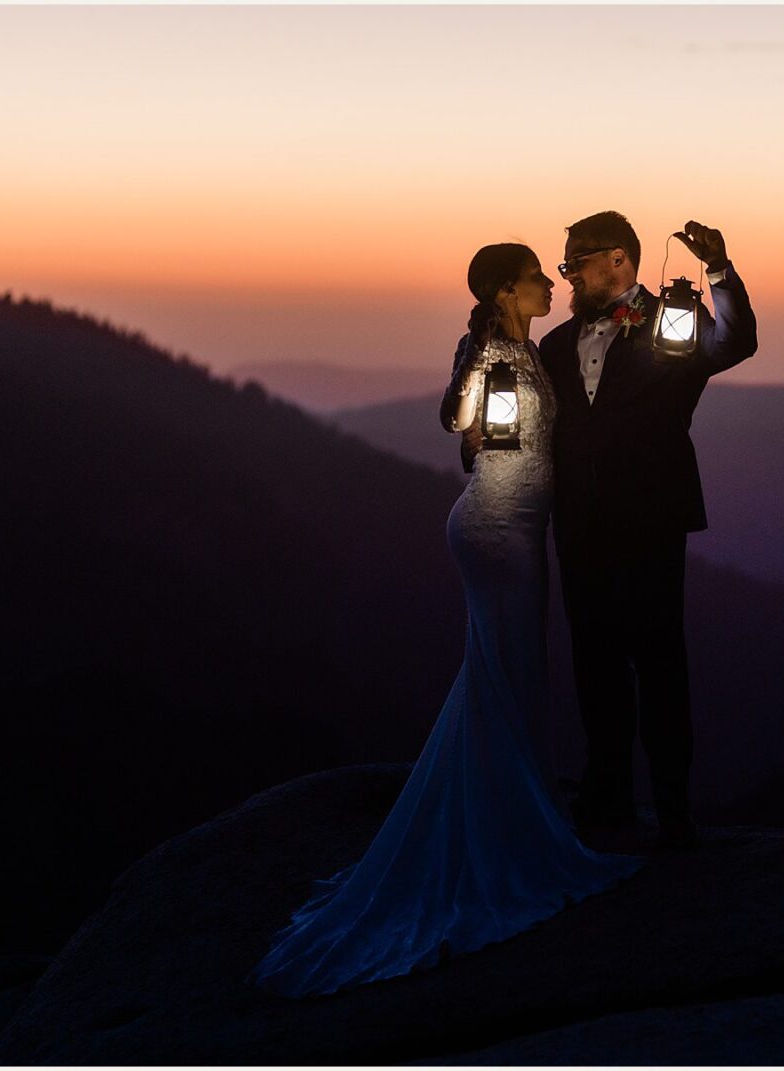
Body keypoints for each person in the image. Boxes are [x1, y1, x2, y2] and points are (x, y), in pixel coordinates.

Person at [246, 243, 642, 999]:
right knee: (505, 667)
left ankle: (515, 812)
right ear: (504, 288)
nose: (547, 285)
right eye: (534, 277)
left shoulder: (526, 347)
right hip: (494, 528)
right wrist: (473, 388)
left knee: (512, 671)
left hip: (523, 527)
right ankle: (509, 832)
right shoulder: (493, 347)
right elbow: (452, 416)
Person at [535, 211, 759, 851]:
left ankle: (672, 806)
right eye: (565, 263)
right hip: (578, 526)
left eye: (577, 260)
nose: (569, 272)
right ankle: (605, 797)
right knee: (593, 665)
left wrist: (717, 271)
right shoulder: (555, 345)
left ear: (618, 260)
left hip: (651, 520)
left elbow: (735, 344)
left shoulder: (672, 323)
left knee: (660, 663)